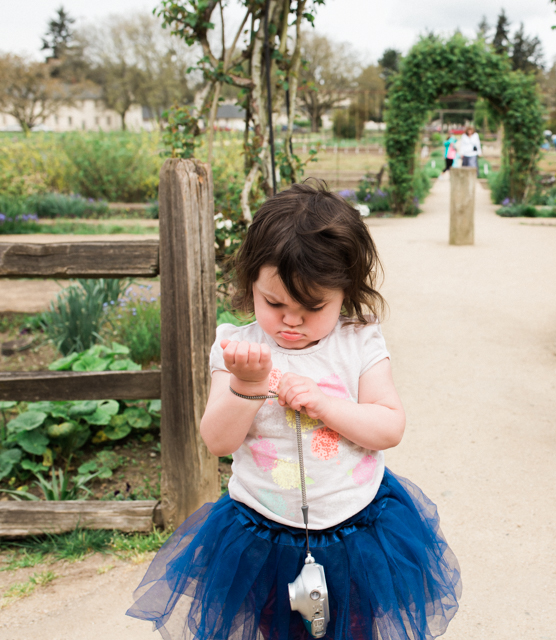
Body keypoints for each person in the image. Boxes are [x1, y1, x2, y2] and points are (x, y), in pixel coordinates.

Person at [127, 181, 462, 640]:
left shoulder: (357, 341)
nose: (290, 321)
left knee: (355, 628)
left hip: (355, 531)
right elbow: (217, 441)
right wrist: (248, 385)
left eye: (312, 307)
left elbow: (388, 426)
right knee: (275, 628)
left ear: (347, 292)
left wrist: (327, 404)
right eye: (274, 303)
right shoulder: (238, 347)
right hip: (262, 536)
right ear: (251, 286)